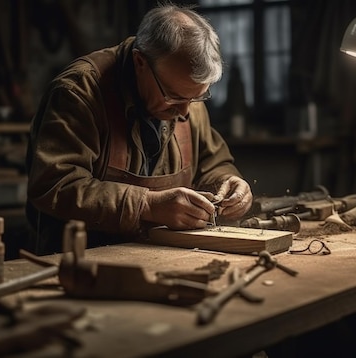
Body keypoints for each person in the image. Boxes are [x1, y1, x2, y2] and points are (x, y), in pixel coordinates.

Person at [25, 3, 253, 255]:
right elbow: (54, 185)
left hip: (164, 255)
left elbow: (212, 163)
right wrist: (146, 205)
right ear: (140, 62)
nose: (186, 112)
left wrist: (227, 183)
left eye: (197, 98)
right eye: (173, 97)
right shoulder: (79, 92)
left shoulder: (184, 96)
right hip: (78, 259)